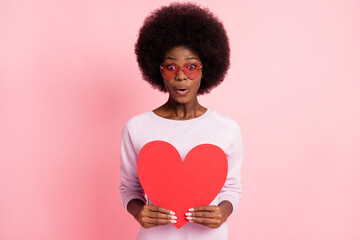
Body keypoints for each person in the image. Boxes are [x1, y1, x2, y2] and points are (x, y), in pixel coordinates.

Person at [119, 2, 243, 239]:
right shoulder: (136, 127)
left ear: (206, 70)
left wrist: (223, 212)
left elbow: (232, 188)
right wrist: (138, 212)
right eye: (171, 66)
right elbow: (129, 188)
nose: (181, 75)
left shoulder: (227, 129)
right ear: (159, 70)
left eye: (191, 66)